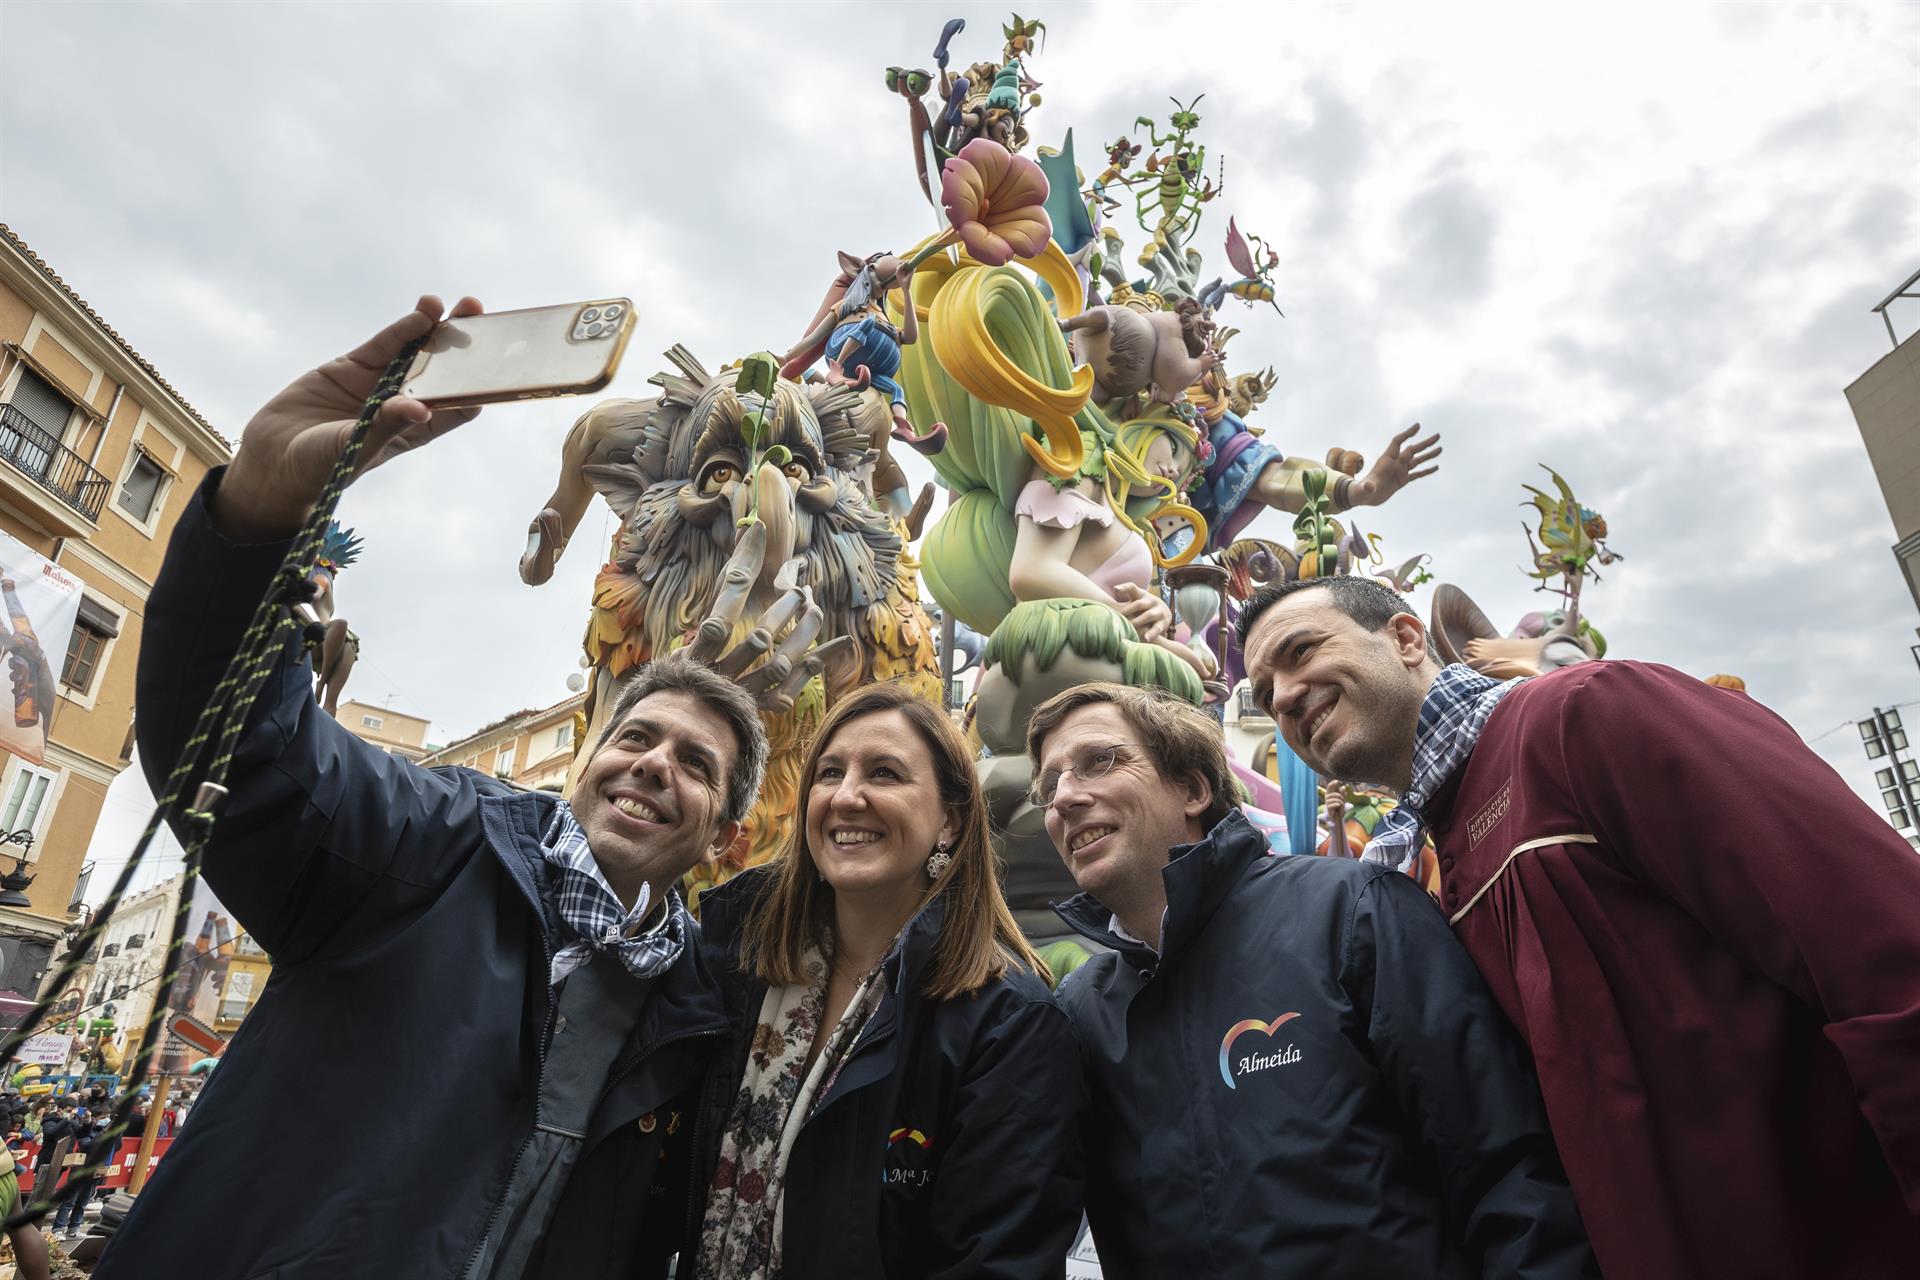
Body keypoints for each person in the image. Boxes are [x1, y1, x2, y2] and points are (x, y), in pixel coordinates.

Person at [96, 297, 772, 1280]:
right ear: (587, 761)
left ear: (725, 838)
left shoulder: (694, 1015)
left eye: (696, 764)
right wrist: (255, 514)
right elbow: (242, 753)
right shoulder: (434, 839)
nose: (655, 763)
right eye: (636, 736)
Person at [1238, 575, 1920, 1278]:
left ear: (1408, 638)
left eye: (1301, 651)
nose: (1283, 696)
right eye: (1263, 694)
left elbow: (1884, 948)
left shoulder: (1588, 714)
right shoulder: (1431, 862)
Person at [1026, 681, 1596, 1278]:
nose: (1063, 798)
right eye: (1048, 787)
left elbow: (1508, 1172)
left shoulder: (1351, 912)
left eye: (1101, 761)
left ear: (1192, 789)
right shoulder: (1080, 1008)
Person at [689, 681, 1085, 1278]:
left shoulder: (1010, 1026)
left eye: (884, 774)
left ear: (950, 822)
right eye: (829, 773)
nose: (847, 797)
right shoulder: (735, 962)